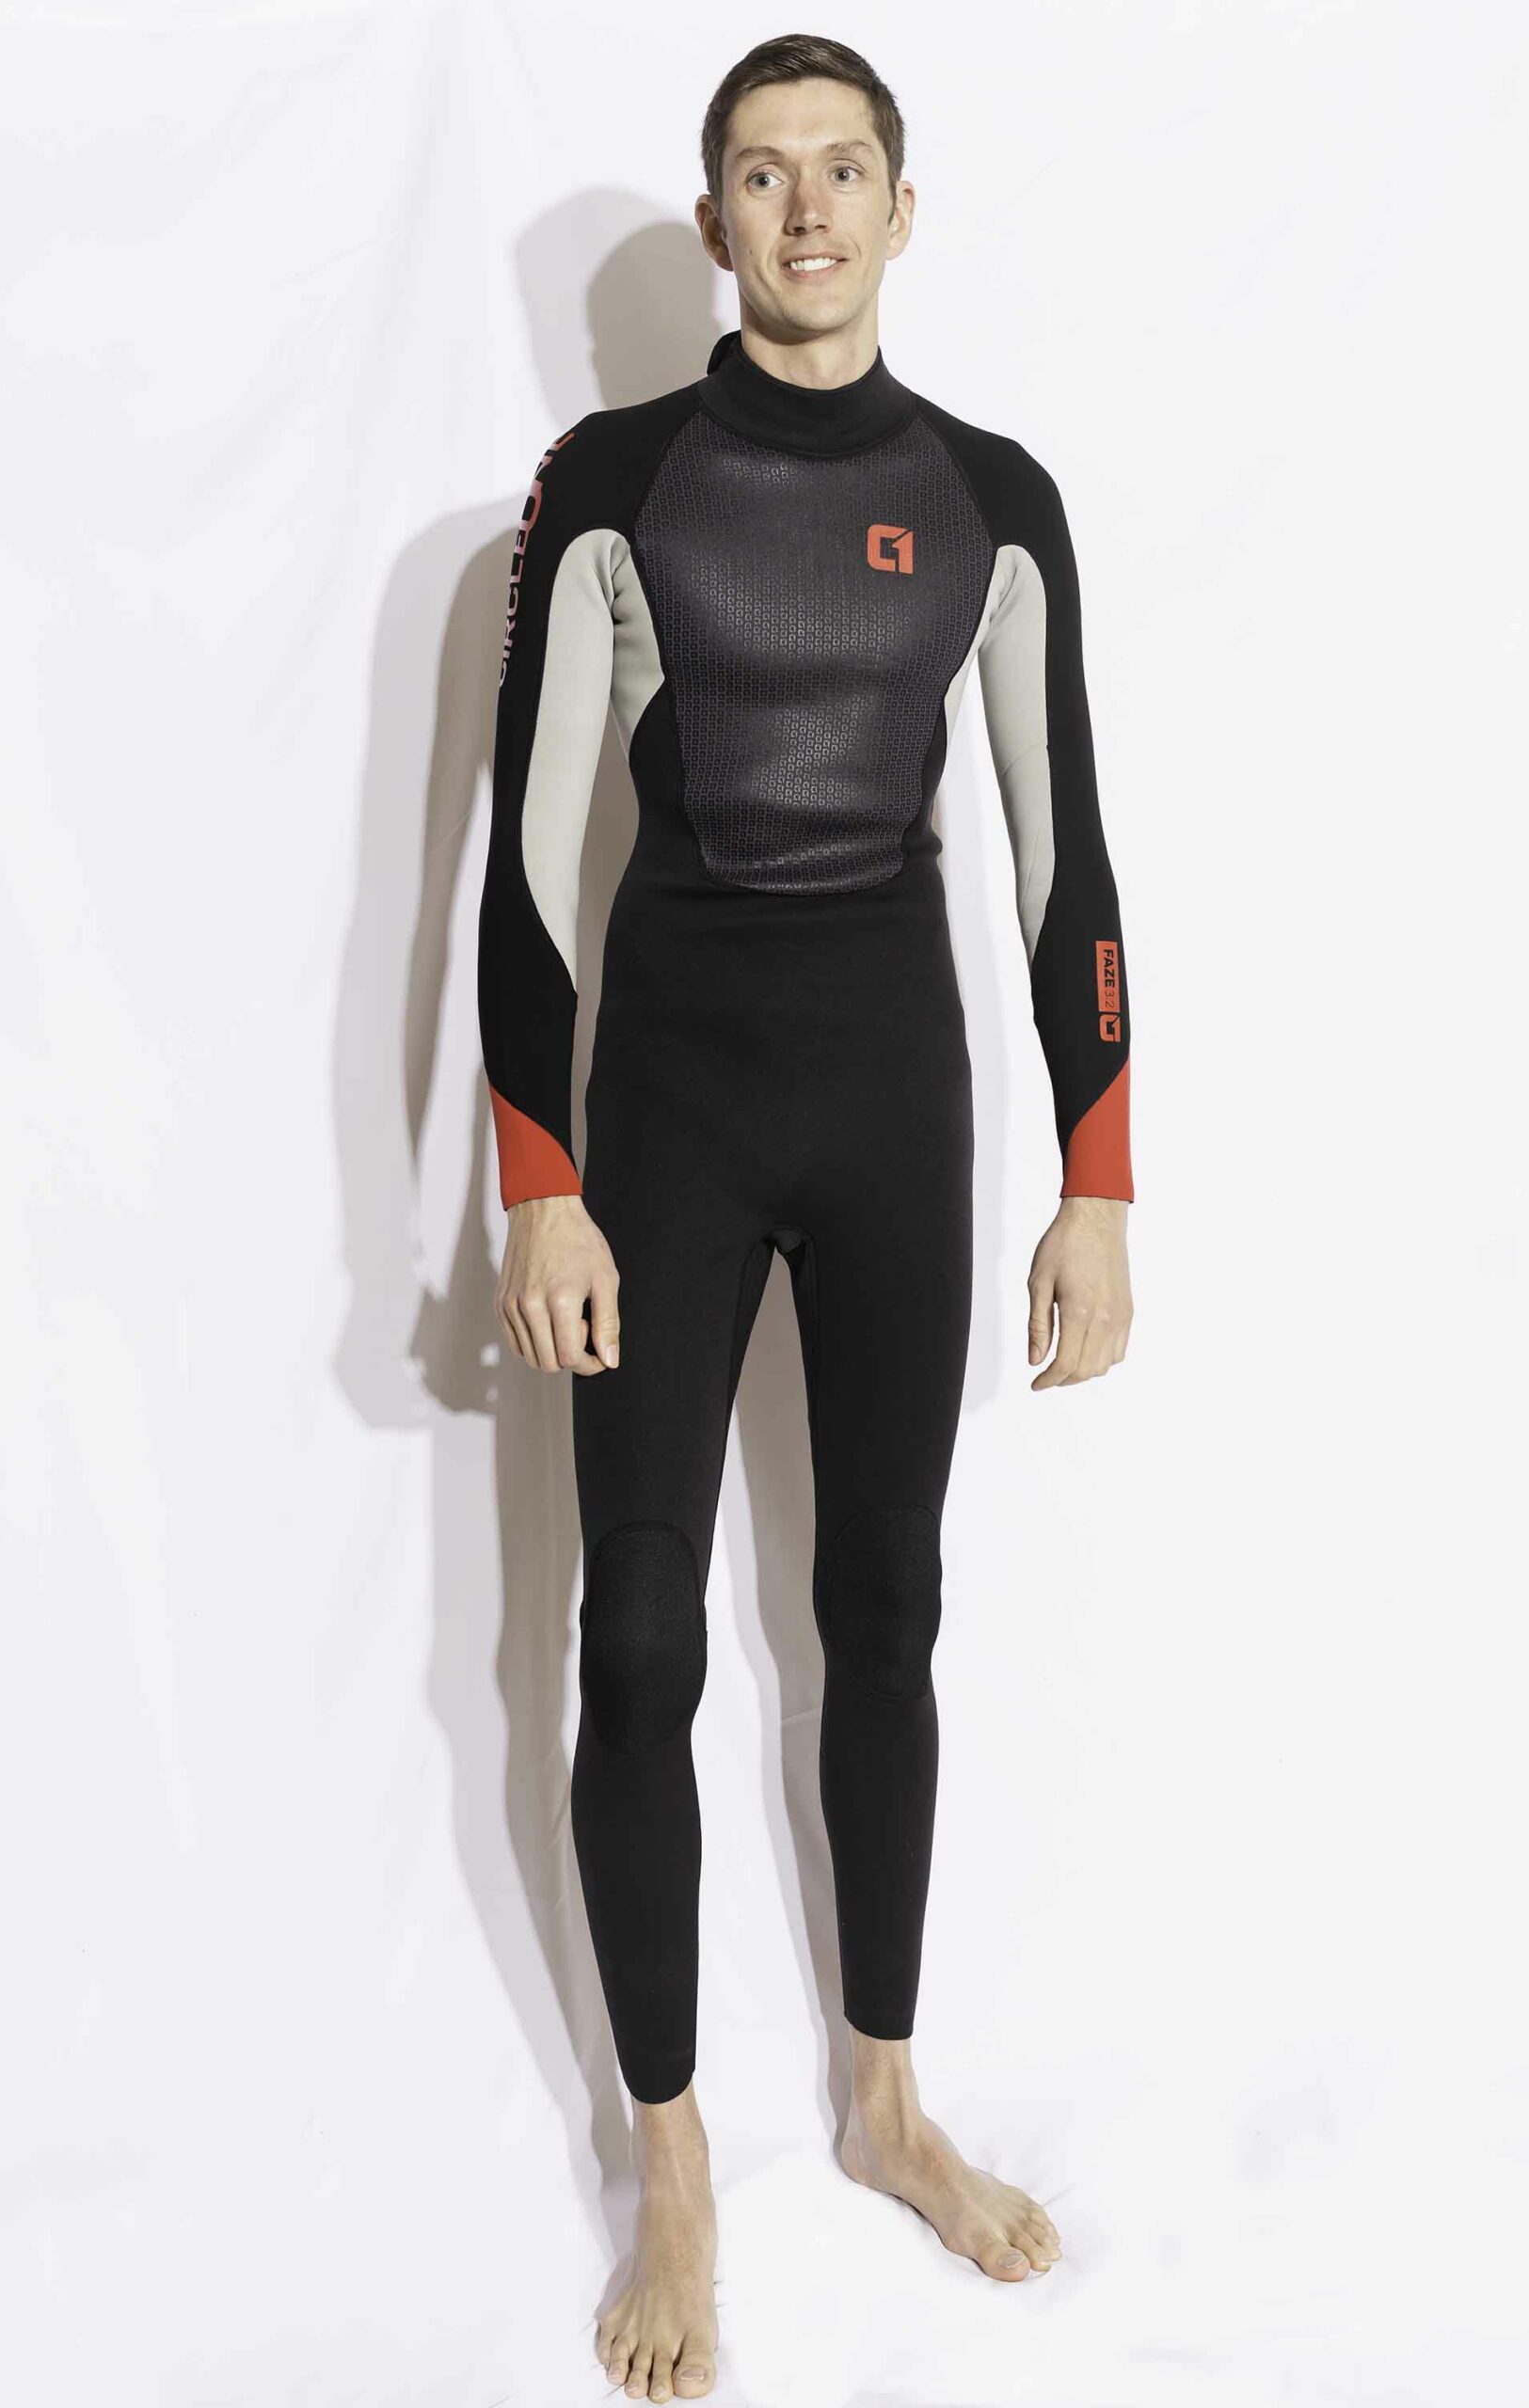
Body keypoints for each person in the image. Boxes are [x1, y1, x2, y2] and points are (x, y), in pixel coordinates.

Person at [478, 35, 1130, 2401]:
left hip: (887, 1096)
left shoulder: (993, 501)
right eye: (760, 175)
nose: (806, 210)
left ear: (899, 206)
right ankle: (669, 2158)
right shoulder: (614, 483)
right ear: (714, 220)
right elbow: (519, 866)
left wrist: (1098, 1178)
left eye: (841, 169)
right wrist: (538, 1182)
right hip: (664, 1105)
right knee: (638, 1631)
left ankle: (879, 2098)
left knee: (884, 1607)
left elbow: (1063, 858)